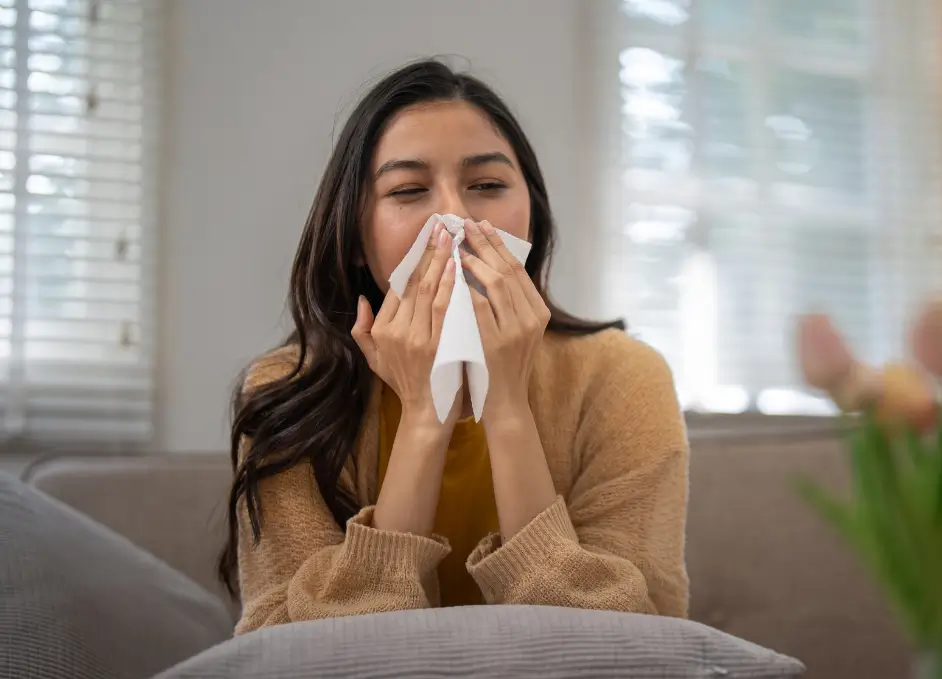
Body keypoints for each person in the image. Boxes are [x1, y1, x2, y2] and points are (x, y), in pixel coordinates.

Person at [218, 59, 689, 635]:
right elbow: (286, 652)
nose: (456, 218)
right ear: (356, 241)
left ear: (532, 214)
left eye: (487, 185)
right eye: (409, 190)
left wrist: (506, 405)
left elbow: (638, 639)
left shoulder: (623, 376)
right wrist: (425, 413)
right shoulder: (286, 391)